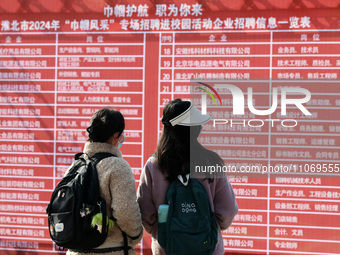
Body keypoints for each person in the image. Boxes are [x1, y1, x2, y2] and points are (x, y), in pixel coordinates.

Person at [137, 99, 238, 255]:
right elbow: (228, 210)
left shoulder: (153, 164)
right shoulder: (211, 161)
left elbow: (145, 213)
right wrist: (208, 227)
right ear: (195, 128)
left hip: (166, 248)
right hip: (207, 247)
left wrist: (162, 230)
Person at [67, 108, 143, 255]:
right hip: (110, 249)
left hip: (75, 250)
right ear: (116, 136)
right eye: (121, 135)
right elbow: (125, 212)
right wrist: (136, 234)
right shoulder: (118, 166)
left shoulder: (75, 165)